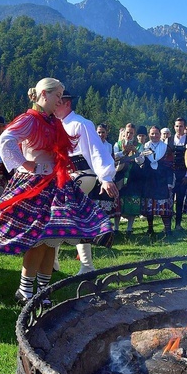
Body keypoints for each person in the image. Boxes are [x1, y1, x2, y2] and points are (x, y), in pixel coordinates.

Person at [0, 78, 112, 306]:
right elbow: (6, 140)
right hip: (35, 185)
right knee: (37, 238)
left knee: (49, 241)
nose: (60, 100)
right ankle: (25, 290)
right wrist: (25, 164)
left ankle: (43, 289)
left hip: (54, 185)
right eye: (57, 96)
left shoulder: (52, 121)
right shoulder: (30, 120)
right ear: (44, 94)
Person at [54, 90, 118, 274]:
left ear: (66, 103)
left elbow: (96, 150)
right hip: (65, 176)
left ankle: (86, 266)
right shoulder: (58, 124)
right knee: (60, 216)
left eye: (58, 102)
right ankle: (57, 263)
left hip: (82, 175)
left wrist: (105, 177)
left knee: (67, 216)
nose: (54, 105)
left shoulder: (81, 124)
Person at [139, 126, 175, 235]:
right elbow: (141, 162)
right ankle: (150, 228)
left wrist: (169, 182)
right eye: (152, 134)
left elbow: (170, 166)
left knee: (164, 204)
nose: (154, 136)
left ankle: (167, 229)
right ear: (149, 135)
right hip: (149, 179)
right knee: (149, 204)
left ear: (160, 134)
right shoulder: (145, 147)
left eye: (156, 133)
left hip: (162, 179)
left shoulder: (166, 147)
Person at [164, 117, 187, 231]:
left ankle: (178, 224)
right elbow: (165, 158)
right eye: (176, 126)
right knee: (169, 201)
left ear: (185, 127)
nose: (179, 128)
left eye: (181, 126)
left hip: (183, 175)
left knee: (180, 200)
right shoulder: (168, 140)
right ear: (174, 127)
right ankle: (168, 225)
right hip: (171, 174)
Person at [113, 123, 139, 234]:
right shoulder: (118, 144)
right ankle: (116, 228)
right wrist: (123, 152)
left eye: (131, 133)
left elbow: (141, 160)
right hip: (119, 175)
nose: (129, 134)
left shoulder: (138, 145)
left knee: (132, 200)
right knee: (118, 200)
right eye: (127, 132)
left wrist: (135, 151)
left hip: (133, 175)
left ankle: (129, 228)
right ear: (124, 133)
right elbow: (114, 156)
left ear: (134, 134)